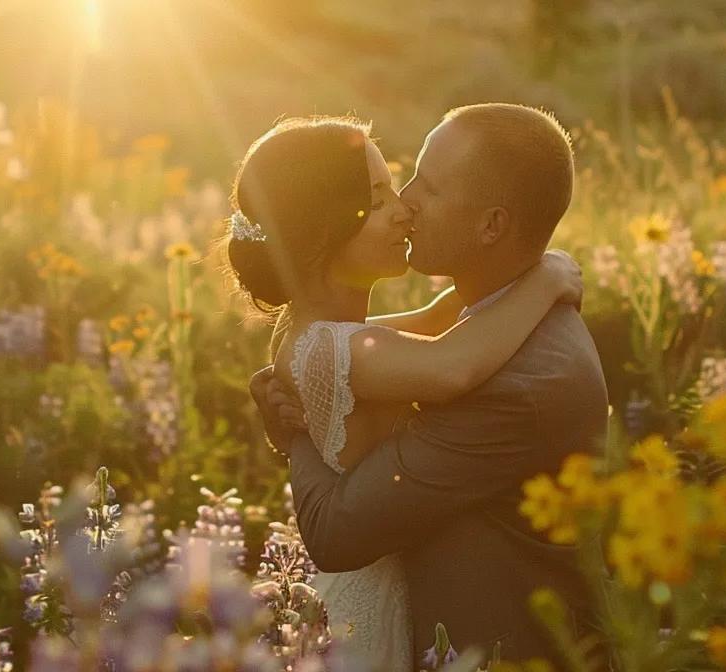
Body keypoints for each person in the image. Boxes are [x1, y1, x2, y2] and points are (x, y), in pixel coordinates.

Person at [220, 113, 586, 669]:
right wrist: (548, 279)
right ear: (324, 231)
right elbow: (449, 366)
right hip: (364, 597)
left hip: (386, 577)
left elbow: (440, 317)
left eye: (405, 186)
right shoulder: (330, 348)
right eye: (380, 196)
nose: (405, 206)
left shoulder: (330, 336)